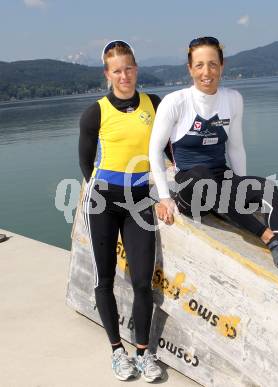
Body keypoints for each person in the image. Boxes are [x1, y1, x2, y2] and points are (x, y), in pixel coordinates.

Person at [149, 36, 278, 285]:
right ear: (190, 69)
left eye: (213, 64)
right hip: (190, 188)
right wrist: (164, 197)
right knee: (202, 178)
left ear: (222, 65)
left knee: (265, 187)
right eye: (199, 65)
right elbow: (154, 151)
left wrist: (241, 189)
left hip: (221, 179)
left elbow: (236, 148)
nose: (207, 72)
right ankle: (269, 239)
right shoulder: (175, 102)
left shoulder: (233, 99)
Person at [79, 40, 163, 382]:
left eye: (129, 68)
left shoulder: (154, 104)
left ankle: (143, 353)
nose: (124, 75)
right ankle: (117, 350)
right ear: (107, 74)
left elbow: (169, 147)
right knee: (106, 278)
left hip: (140, 200)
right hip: (103, 202)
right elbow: (86, 164)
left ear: (136, 68)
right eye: (117, 70)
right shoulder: (95, 112)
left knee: (143, 281)